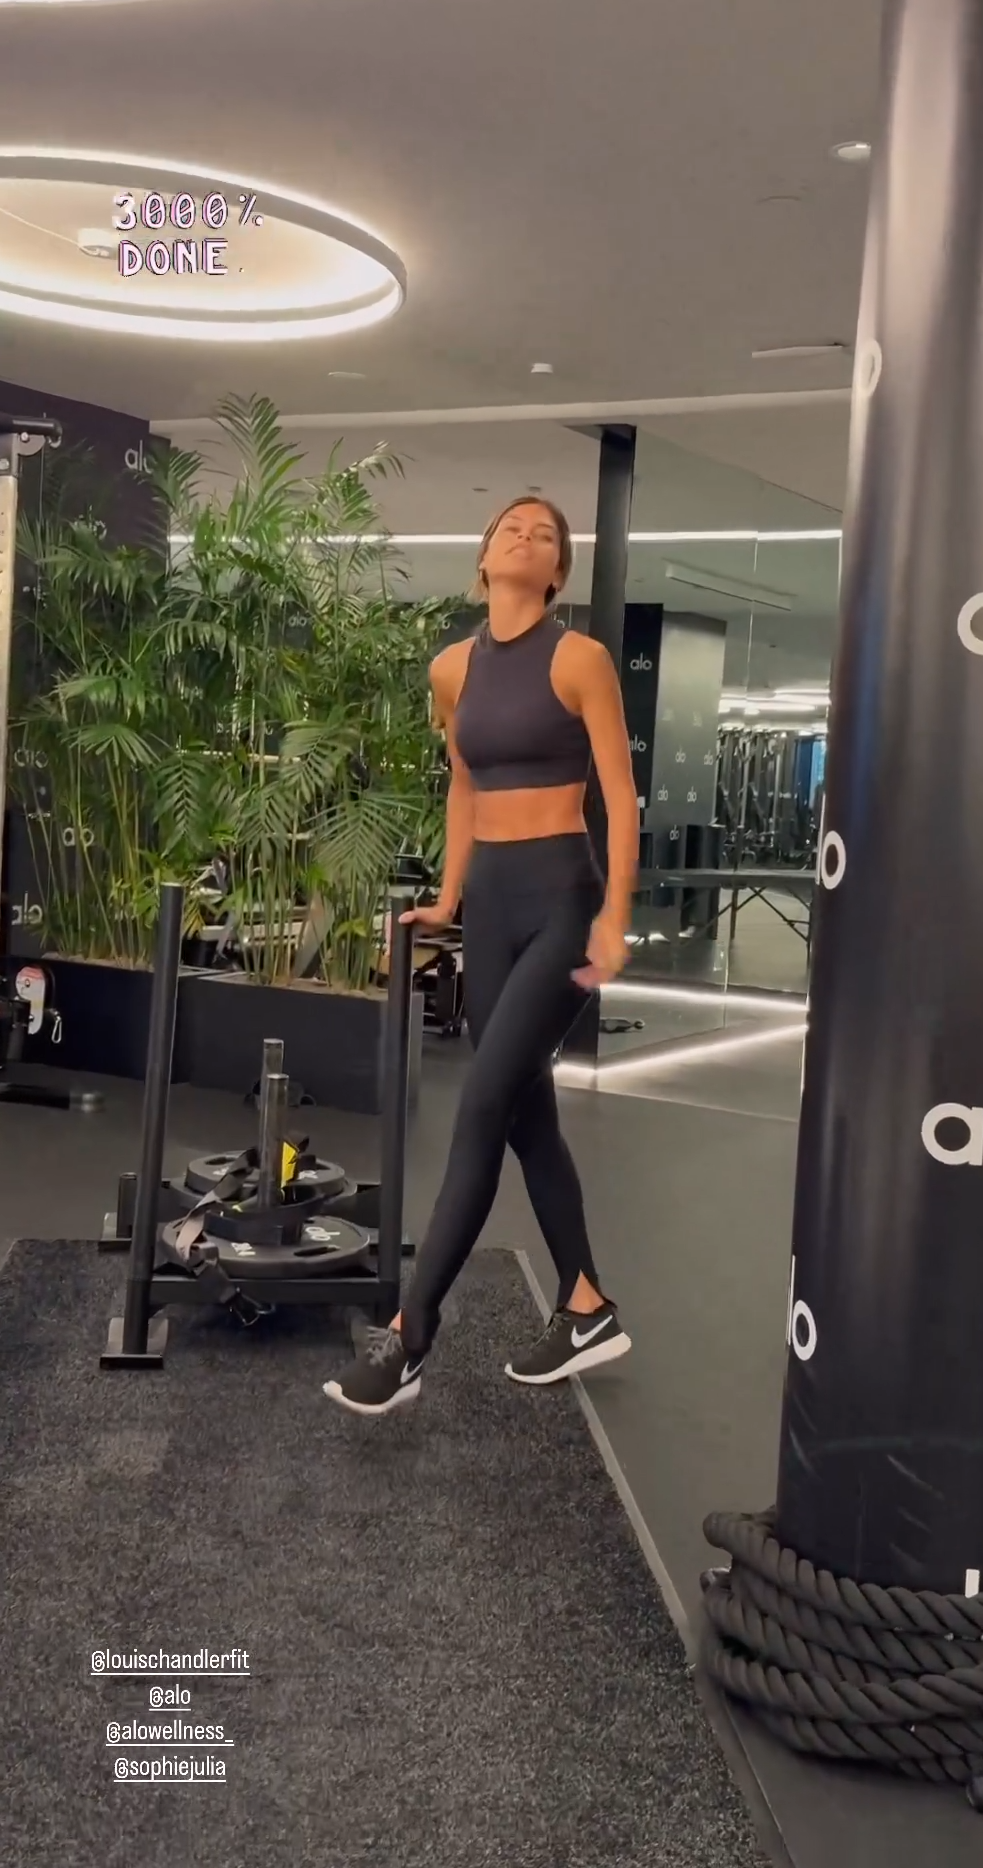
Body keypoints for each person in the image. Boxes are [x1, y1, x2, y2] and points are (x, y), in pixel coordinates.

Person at [323, 494, 640, 1416]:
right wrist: (449, 895)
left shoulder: (579, 659)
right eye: (512, 528)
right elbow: (463, 787)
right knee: (527, 1115)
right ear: (485, 555)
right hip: (492, 907)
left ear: (558, 571)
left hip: (564, 905)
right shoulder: (451, 668)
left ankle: (409, 1334)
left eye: (545, 536)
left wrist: (616, 916)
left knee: (481, 1104)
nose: (526, 538)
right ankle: (586, 1305)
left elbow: (621, 795)